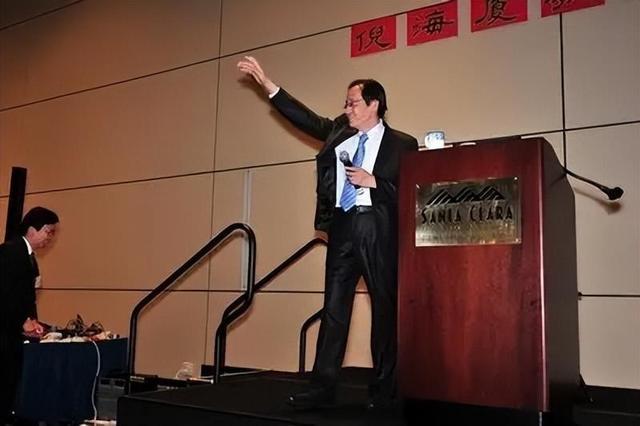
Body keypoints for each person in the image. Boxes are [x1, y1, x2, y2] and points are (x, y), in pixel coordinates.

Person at [238, 56, 418, 410]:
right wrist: (268, 85)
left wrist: (375, 182)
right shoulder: (339, 132)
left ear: (374, 104)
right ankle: (321, 388)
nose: (347, 109)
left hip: (378, 230)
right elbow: (306, 119)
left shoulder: (402, 144)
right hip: (342, 228)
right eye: (346, 103)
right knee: (334, 310)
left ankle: (384, 391)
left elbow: (411, 192)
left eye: (353, 103)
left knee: (384, 310)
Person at [0, 207, 59, 424]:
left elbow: (27, 296)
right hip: (3, 335)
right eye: (48, 232)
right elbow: (4, 294)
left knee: (9, 389)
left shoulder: (28, 256)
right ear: (32, 230)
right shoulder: (10, 252)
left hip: (12, 336)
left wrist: (32, 320)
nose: (49, 238)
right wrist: (21, 322)